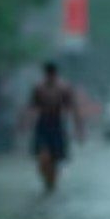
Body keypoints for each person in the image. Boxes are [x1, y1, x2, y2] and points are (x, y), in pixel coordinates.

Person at [27, 61, 84, 192]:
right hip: (43, 125)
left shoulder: (63, 88)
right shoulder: (39, 88)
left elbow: (74, 109)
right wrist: (26, 123)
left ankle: (51, 185)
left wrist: (79, 129)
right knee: (43, 157)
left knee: (55, 159)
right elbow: (31, 107)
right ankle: (47, 181)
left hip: (57, 125)